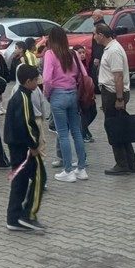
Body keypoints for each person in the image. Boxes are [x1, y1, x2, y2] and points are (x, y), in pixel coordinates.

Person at [42, 25, 88, 182]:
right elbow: (84, 74)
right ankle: (81, 168)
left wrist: (46, 94)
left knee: (62, 133)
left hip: (58, 94)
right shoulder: (73, 53)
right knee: (76, 131)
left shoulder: (50, 54)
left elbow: (47, 78)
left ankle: (67, 170)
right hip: (73, 94)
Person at [4, 63, 46, 232]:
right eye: (36, 80)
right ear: (28, 81)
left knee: (20, 181)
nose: (37, 83)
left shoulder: (22, 95)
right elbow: (26, 125)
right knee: (39, 177)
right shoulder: (22, 97)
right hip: (24, 147)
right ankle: (28, 215)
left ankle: (13, 218)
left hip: (16, 145)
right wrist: (34, 145)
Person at [95, 23, 135, 176]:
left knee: (115, 128)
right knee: (121, 127)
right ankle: (130, 163)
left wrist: (119, 99)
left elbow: (118, 76)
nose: (94, 37)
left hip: (113, 93)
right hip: (111, 92)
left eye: (95, 34)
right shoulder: (110, 49)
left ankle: (122, 163)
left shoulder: (113, 50)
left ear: (101, 35)